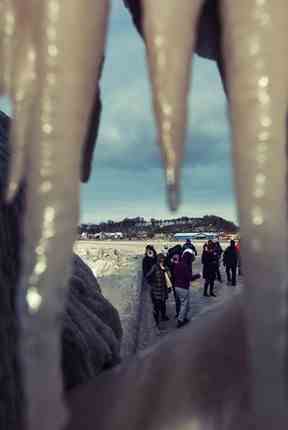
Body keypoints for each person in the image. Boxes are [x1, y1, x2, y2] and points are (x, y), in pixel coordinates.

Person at [173, 252, 200, 328]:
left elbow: (174, 274)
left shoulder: (178, 264)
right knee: (184, 304)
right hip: (183, 287)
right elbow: (189, 278)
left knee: (185, 303)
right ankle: (180, 320)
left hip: (177, 286)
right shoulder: (185, 266)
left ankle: (183, 318)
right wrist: (197, 276)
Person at [146, 253, 170, 326]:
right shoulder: (154, 267)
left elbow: (169, 277)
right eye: (161, 259)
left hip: (163, 290)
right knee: (157, 306)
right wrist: (152, 283)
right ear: (158, 260)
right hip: (156, 290)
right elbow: (148, 275)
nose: (162, 261)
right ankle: (156, 322)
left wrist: (167, 271)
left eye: (163, 259)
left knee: (163, 304)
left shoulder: (165, 267)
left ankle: (163, 316)